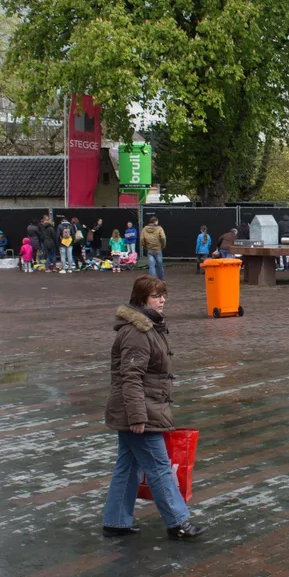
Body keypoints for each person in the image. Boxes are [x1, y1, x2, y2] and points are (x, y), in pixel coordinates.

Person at [102, 274, 205, 541]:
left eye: (163, 296)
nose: (162, 301)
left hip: (138, 407)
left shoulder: (149, 326)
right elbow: (131, 377)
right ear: (141, 299)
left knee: (128, 465)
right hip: (139, 410)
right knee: (159, 465)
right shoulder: (138, 331)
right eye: (155, 296)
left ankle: (116, 521)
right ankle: (178, 522)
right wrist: (138, 416)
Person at [140, 215, 167, 281]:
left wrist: (145, 246)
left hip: (149, 249)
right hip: (158, 249)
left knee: (151, 266)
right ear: (155, 221)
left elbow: (142, 239)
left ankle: (153, 280)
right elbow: (163, 238)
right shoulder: (159, 228)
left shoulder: (145, 229)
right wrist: (163, 246)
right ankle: (161, 279)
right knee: (159, 265)